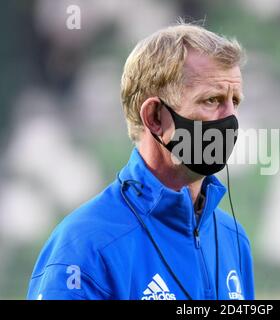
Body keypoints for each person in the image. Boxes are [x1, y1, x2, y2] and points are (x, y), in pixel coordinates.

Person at [27, 22, 254, 300]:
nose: (230, 119)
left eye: (235, 102)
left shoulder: (233, 238)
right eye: (212, 100)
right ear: (155, 117)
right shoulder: (84, 248)